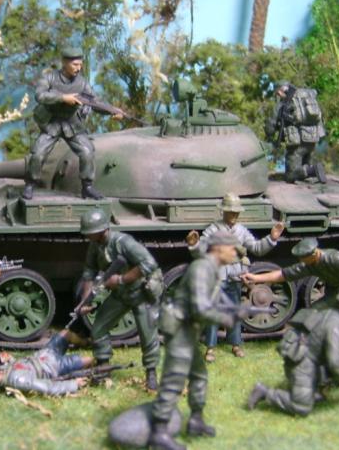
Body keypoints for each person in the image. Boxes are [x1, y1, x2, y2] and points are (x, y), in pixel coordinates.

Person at [148, 232, 241, 450]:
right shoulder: (201, 268)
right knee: (174, 378)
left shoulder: (212, 269)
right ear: (218, 248)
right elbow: (201, 308)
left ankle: (196, 421)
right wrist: (226, 319)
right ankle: (159, 432)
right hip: (180, 329)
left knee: (199, 375)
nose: (235, 253)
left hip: (188, 329)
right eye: (232, 248)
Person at [242, 238, 339, 358]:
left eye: (303, 258)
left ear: (314, 254)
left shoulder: (335, 258)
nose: (301, 261)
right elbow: (283, 274)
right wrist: (256, 278)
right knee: (311, 313)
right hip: (336, 291)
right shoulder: (309, 264)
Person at [187, 193, 284, 361]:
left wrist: (271, 239)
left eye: (236, 212)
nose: (234, 215)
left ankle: (236, 344)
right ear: (223, 211)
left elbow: (256, 248)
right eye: (230, 211)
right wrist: (194, 245)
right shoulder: (214, 229)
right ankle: (210, 347)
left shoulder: (241, 230)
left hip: (234, 277)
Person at [247, 284, 339, 416]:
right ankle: (264, 392)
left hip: (310, 357)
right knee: (301, 407)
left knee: (314, 393)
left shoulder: (330, 313)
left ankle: (315, 392)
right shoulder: (336, 324)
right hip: (301, 361)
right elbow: (334, 361)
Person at [78, 209, 163, 390]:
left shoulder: (124, 242)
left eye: (91, 232)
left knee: (148, 335)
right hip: (120, 295)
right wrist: (86, 301)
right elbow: (89, 272)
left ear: (102, 230)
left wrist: (121, 279)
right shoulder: (95, 246)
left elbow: (149, 263)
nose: (87, 236)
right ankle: (103, 367)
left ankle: (151, 372)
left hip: (141, 293)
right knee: (98, 328)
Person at [24, 46, 119, 200]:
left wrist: (112, 111)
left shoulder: (82, 83)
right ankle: (30, 184)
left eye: (80, 64)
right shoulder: (50, 78)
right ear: (64, 62)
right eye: (75, 64)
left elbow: (94, 102)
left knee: (87, 152)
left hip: (72, 124)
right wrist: (63, 98)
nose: (78, 68)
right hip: (52, 123)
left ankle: (87, 187)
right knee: (38, 154)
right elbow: (40, 96)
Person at [0, 329, 92, 396]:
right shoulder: (17, 381)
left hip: (43, 354)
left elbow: (19, 366)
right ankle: (98, 359)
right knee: (88, 360)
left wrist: (8, 359)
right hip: (51, 366)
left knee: (65, 333)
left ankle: (86, 342)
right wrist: (73, 384)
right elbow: (47, 387)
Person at [265, 81, 326, 184]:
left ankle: (312, 170)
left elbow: (271, 125)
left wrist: (269, 136)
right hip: (313, 139)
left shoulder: (283, 104)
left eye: (277, 93)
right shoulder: (306, 100)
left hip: (296, 144)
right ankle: (310, 170)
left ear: (280, 91)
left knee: (290, 175)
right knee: (305, 164)